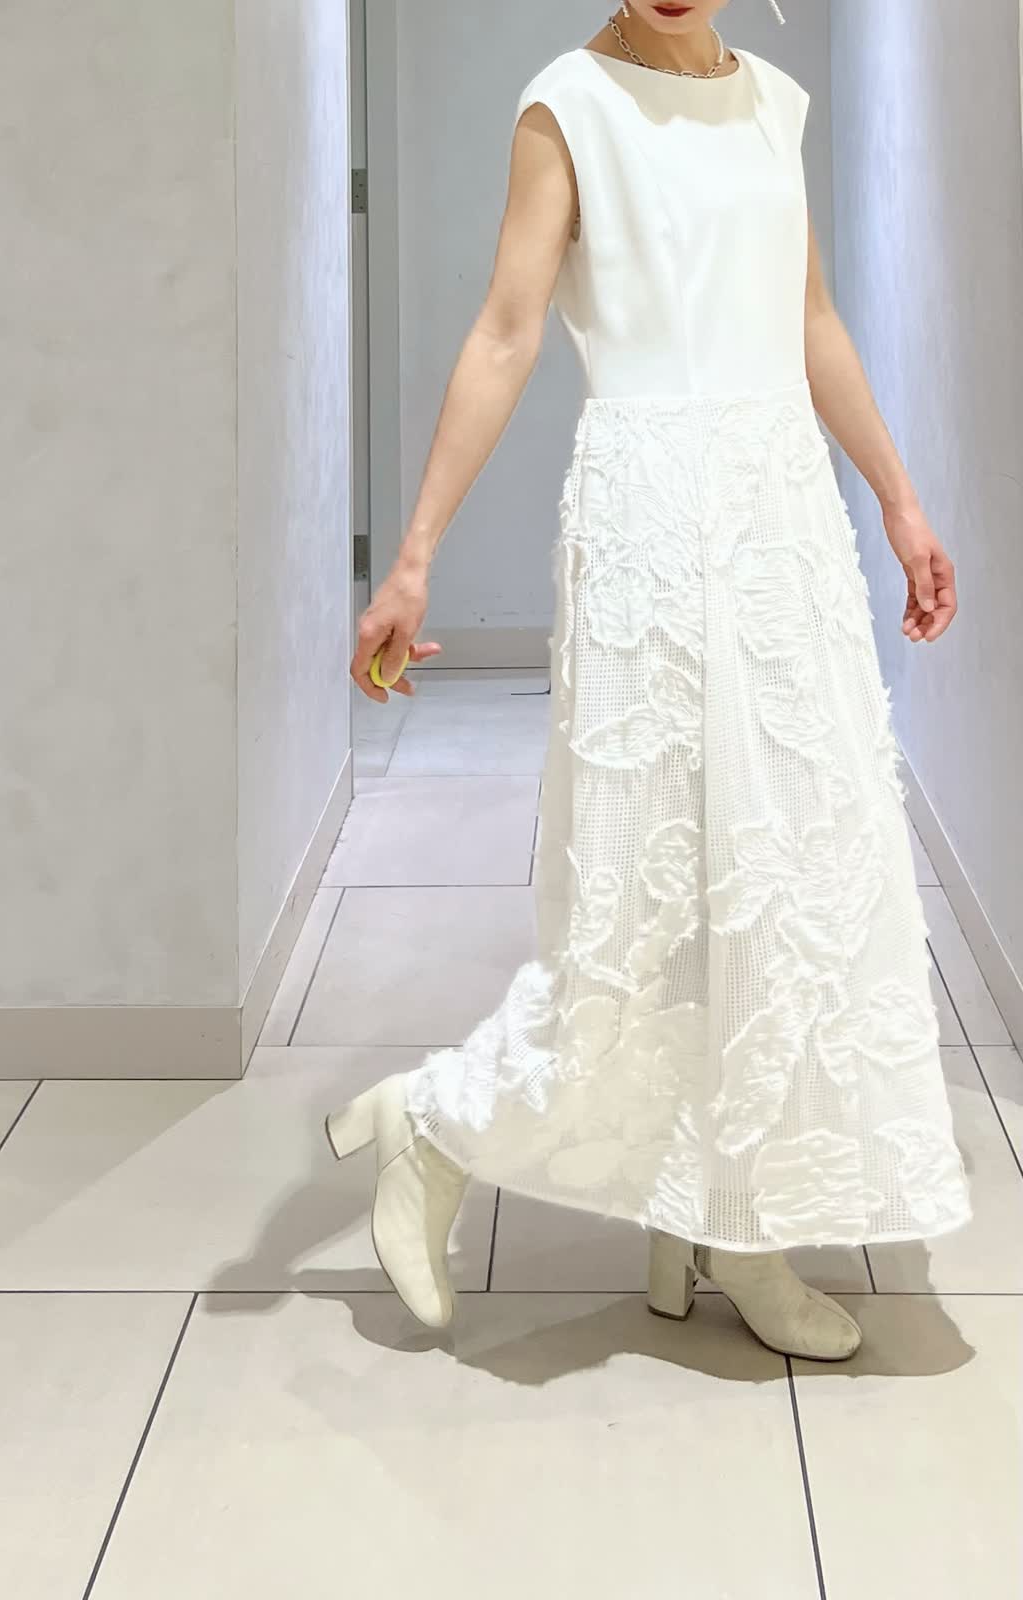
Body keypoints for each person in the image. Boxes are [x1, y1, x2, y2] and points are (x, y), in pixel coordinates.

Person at [331, 1, 972, 1361]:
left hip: (780, 522)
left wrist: (901, 501)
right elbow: (506, 332)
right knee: (648, 901)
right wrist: (415, 556)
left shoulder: (776, 104)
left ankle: (722, 1215)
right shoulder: (568, 105)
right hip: (647, 526)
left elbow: (811, 321)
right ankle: (436, 1124)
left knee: (787, 878)